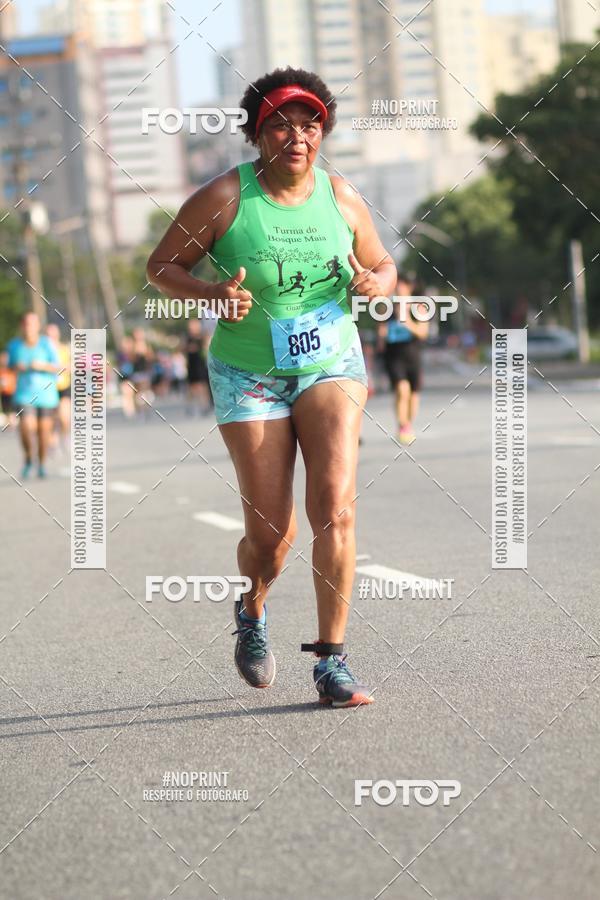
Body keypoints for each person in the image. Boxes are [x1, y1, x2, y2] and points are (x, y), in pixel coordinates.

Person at [147, 67, 396, 707]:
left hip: (329, 362)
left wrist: (379, 284)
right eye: (281, 124)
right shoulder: (225, 197)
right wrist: (209, 293)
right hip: (247, 371)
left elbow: (383, 262)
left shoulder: (340, 197)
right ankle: (254, 607)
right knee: (271, 535)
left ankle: (331, 662)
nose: (297, 135)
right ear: (258, 134)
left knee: (335, 506)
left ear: (323, 131)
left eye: (310, 123)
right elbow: (161, 266)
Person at [7, 311, 60, 478]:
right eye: (26, 323)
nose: (29, 327)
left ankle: (42, 462)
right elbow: (9, 367)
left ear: (38, 326)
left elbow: (58, 366)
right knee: (26, 428)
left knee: (44, 432)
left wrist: (43, 366)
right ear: (22, 326)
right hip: (24, 395)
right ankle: (29, 457)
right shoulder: (14, 345)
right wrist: (17, 367)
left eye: (33, 323)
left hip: (46, 395)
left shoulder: (46, 344)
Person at [378, 274, 429, 444]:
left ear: (410, 288)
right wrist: (381, 337)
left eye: (403, 285)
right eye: (397, 286)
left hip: (413, 354)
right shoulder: (388, 308)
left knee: (414, 396)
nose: (399, 289)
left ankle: (408, 424)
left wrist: (407, 322)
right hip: (394, 355)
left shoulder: (419, 308)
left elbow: (423, 332)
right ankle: (402, 426)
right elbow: (382, 331)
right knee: (402, 389)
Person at [45, 323, 71, 453]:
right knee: (53, 419)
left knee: (64, 417)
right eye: (48, 335)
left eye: (53, 334)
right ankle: (53, 443)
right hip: (49, 388)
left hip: (64, 387)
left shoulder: (64, 349)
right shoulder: (43, 351)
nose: (51, 337)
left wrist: (66, 368)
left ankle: (65, 436)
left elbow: (72, 366)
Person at [184, 319, 211, 415]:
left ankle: (205, 406)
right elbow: (184, 349)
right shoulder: (187, 338)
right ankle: (190, 406)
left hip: (200, 365)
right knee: (192, 388)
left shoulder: (202, 337)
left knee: (203, 386)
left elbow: (206, 347)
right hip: (191, 366)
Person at [0, 350, 17, 429]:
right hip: (4, 392)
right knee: (5, 408)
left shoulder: (11, 370)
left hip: (12, 392)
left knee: (12, 409)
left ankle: (12, 423)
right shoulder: (1, 370)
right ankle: (8, 423)